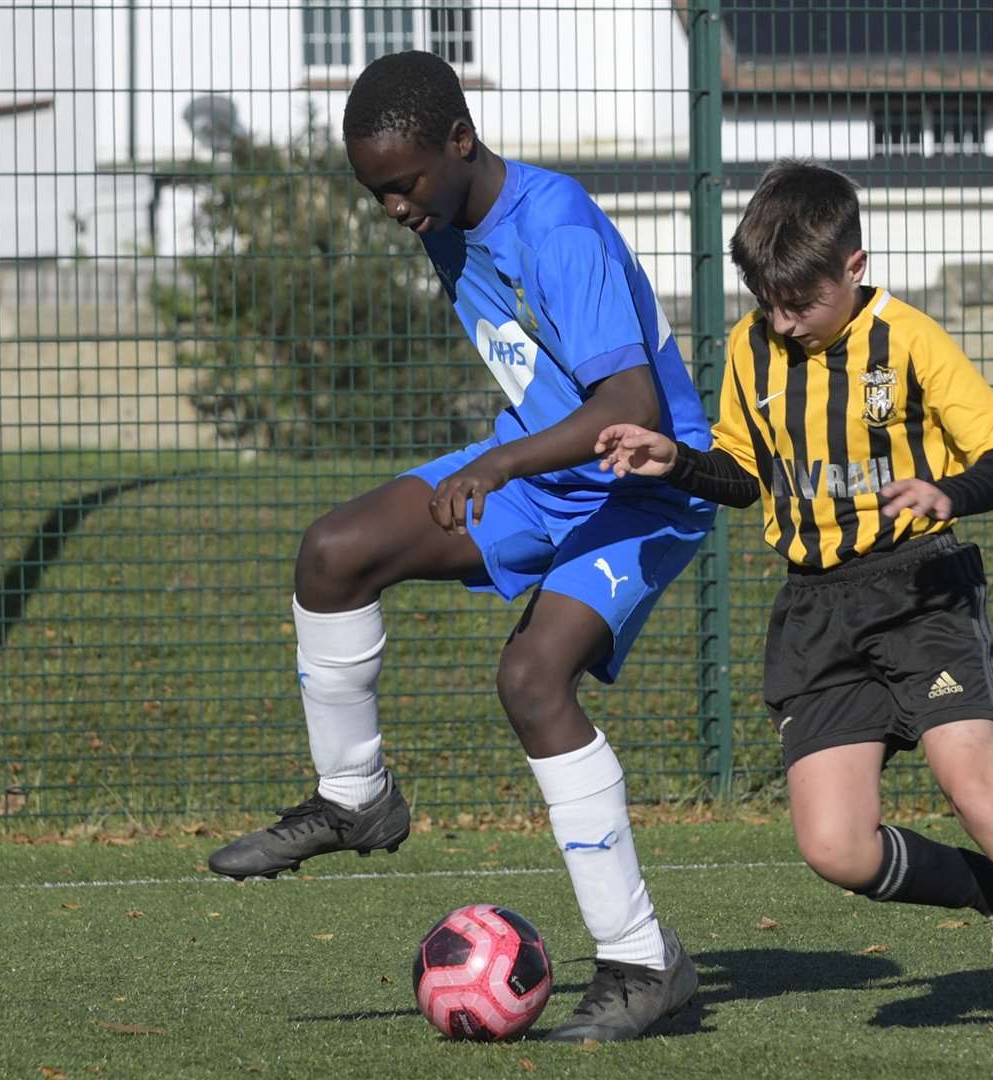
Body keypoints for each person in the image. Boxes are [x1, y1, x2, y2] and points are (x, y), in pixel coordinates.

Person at [595, 160, 993, 1053]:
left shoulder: (909, 341)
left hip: (918, 590)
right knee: (836, 848)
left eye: (801, 303)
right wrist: (672, 460)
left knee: (975, 782)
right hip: (816, 612)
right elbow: (743, 475)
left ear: (855, 266)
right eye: (769, 302)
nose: (784, 321)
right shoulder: (754, 350)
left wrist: (950, 492)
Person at [206, 50, 708, 1043]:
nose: (394, 207)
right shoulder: (443, 221)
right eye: (376, 192)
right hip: (542, 471)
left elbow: (631, 406)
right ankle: (356, 799)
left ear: (460, 142)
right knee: (334, 553)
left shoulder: (557, 227)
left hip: (641, 483)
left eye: (404, 183)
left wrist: (507, 461)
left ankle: (646, 961)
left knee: (532, 678)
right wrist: (514, 453)